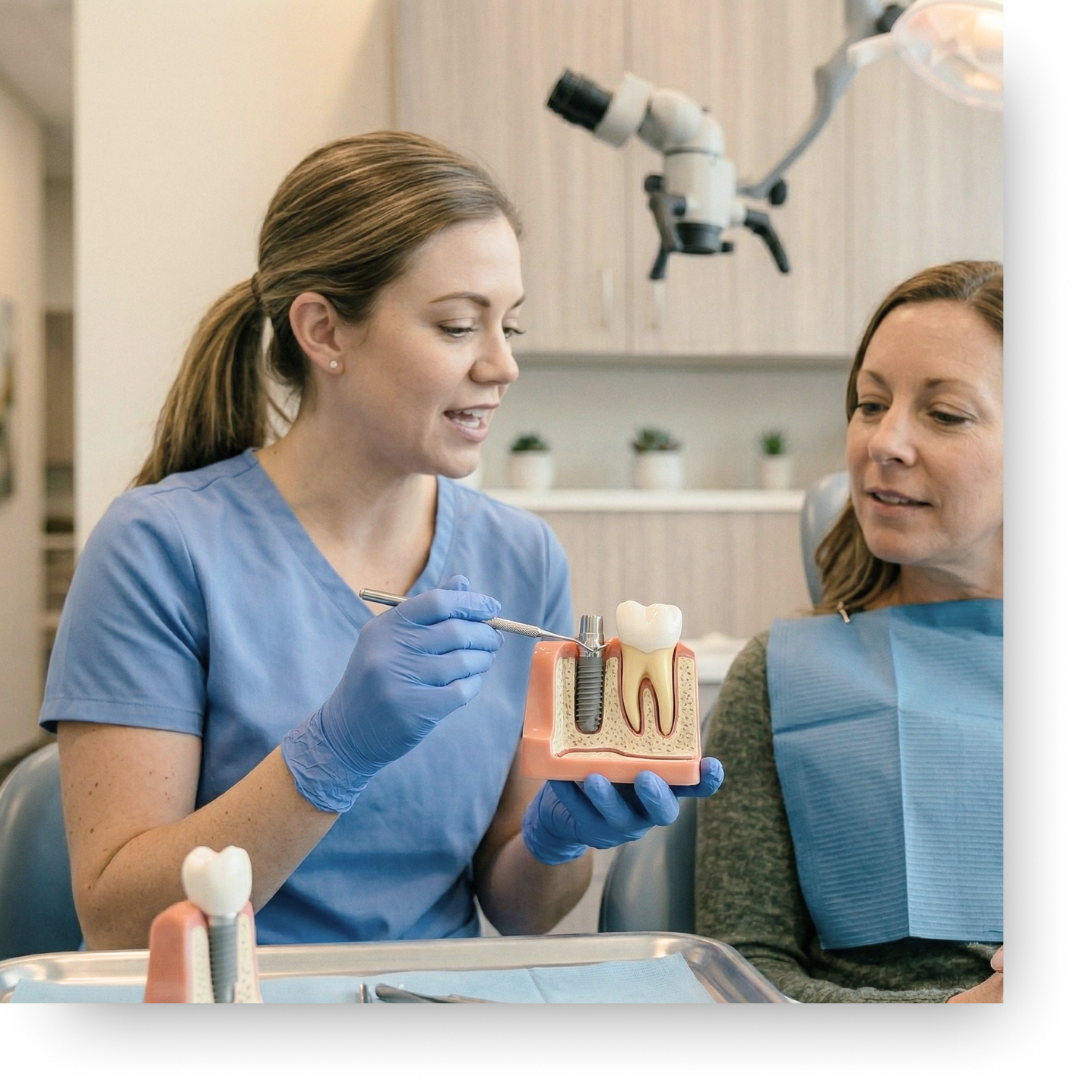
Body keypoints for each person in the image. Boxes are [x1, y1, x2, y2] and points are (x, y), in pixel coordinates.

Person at [43, 132, 722, 950]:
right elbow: (119, 923)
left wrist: (558, 840)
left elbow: (521, 909)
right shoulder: (158, 547)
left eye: (510, 326)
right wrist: (330, 756)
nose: (503, 366)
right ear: (324, 332)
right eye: (458, 326)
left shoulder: (523, 556)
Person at [695, 261, 1003, 1003]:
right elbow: (741, 974)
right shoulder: (777, 678)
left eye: (945, 414)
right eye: (870, 404)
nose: (884, 442)